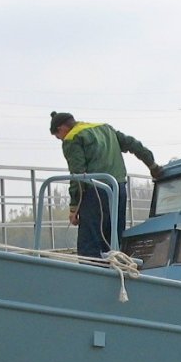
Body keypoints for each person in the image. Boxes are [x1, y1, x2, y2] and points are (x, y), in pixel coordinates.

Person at [50, 111, 163, 258]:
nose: (61, 139)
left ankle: (91, 278)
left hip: (95, 193)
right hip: (118, 189)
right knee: (114, 240)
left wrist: (73, 207)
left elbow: (77, 175)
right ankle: (116, 273)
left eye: (58, 137)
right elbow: (133, 145)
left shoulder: (72, 138)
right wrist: (152, 165)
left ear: (61, 129)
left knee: (89, 246)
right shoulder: (105, 128)